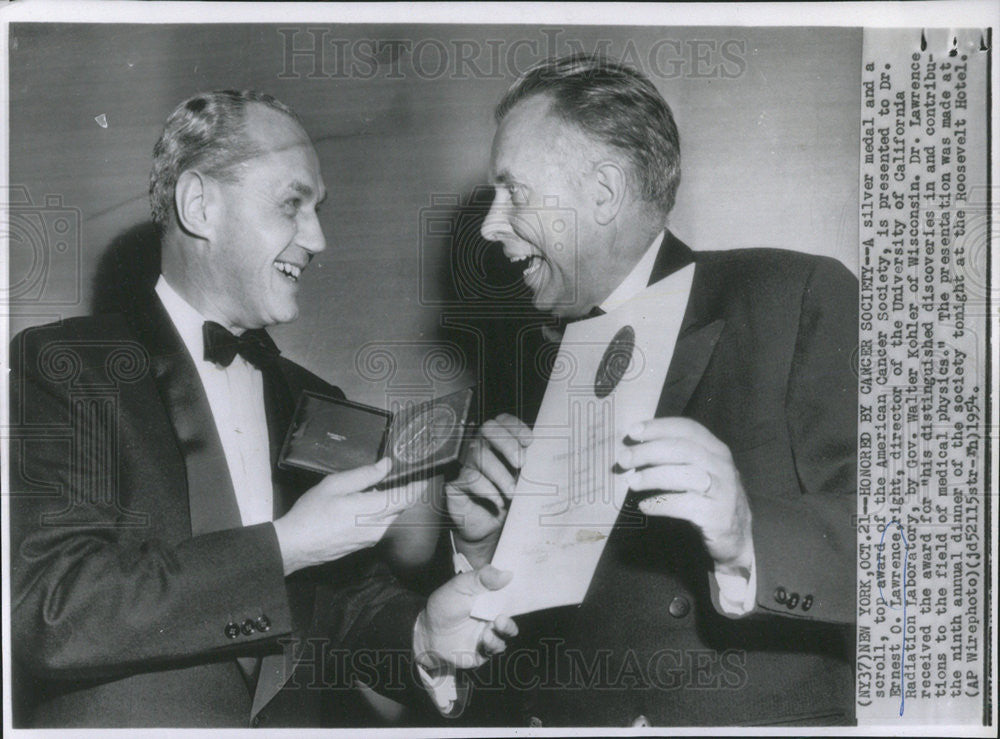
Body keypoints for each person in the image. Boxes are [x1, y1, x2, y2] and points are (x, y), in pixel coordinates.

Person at [8, 90, 516, 728]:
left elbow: (346, 604)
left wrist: (419, 634)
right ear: (200, 205)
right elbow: (50, 609)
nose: (319, 237)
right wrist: (285, 546)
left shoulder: (318, 401)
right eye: (291, 205)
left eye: (317, 210)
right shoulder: (60, 365)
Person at [445, 55, 858, 727]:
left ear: (605, 193)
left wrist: (748, 536)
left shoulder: (795, 296)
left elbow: (912, 546)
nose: (491, 226)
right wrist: (486, 550)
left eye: (513, 193)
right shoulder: (528, 363)